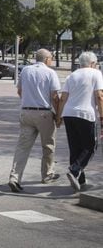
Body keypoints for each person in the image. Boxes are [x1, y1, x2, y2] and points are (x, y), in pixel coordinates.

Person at [8, 48, 61, 193]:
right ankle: (47, 174)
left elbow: (19, 91)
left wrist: (28, 102)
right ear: (46, 59)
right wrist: (58, 115)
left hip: (26, 112)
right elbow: (55, 96)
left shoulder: (25, 70)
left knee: (22, 147)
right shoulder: (50, 73)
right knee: (48, 146)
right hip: (44, 113)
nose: (51, 60)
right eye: (51, 57)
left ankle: (14, 177)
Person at [56, 52, 103, 192]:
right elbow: (99, 96)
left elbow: (63, 97)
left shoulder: (72, 75)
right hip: (86, 114)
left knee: (75, 147)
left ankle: (80, 180)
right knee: (90, 146)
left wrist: (59, 117)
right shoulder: (96, 74)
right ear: (93, 63)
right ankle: (74, 170)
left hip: (69, 114)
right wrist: (102, 118)